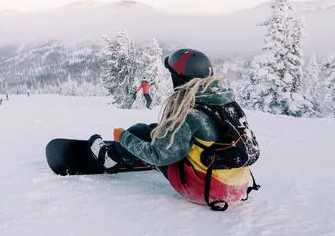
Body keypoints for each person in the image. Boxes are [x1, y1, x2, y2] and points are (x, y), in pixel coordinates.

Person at [88, 48, 260, 211]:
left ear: (179, 78)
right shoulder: (225, 103)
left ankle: (109, 159)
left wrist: (123, 137)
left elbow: (160, 156)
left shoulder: (191, 113)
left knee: (139, 131)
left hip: (206, 189)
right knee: (156, 131)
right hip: (237, 186)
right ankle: (141, 153)